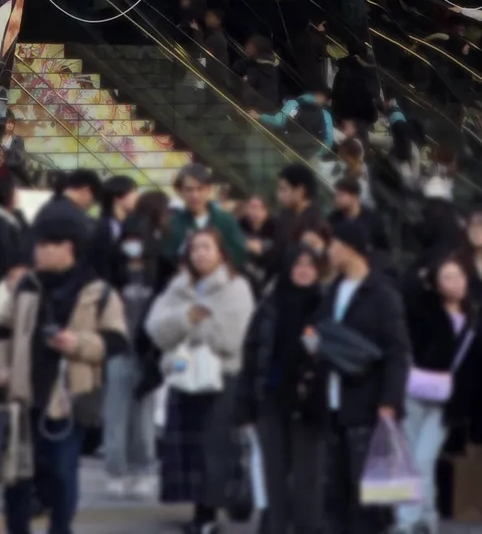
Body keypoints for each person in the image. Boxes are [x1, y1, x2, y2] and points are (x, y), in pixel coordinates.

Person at [0, 206, 127, 534]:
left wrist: (77, 344)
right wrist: (1, 369)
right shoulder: (27, 285)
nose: (36, 251)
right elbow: (2, 329)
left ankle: (60, 528)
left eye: (44, 245)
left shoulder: (98, 291)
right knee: (17, 477)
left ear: (68, 247)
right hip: (24, 395)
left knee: (62, 475)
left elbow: (117, 340)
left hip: (70, 398)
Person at [147, 223, 255, 532]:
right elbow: (156, 329)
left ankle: (209, 515)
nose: (200, 254)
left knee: (214, 447)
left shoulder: (236, 287)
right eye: (195, 248)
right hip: (182, 376)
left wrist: (192, 328)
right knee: (188, 450)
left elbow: (230, 338)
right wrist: (187, 318)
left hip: (220, 378)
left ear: (222, 253)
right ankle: (198, 510)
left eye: (207, 247)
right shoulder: (178, 287)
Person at [310, 214, 410, 534]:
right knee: (334, 487)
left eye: (334, 244)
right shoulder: (333, 289)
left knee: (367, 491)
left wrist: (390, 401)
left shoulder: (382, 294)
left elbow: (397, 352)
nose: (328, 251)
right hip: (332, 399)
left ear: (350, 248)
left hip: (367, 401)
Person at [239, 243, 328, 534]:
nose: (304, 271)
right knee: (274, 470)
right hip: (273, 396)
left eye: (310, 265)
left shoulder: (324, 305)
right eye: (298, 265)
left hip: (310, 401)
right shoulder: (270, 305)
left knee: (307, 475)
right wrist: (246, 401)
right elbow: (252, 352)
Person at [399, 253, 477, 534]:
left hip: (447, 400)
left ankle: (425, 518)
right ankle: (411, 521)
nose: (455, 282)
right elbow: (406, 291)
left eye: (458, 275)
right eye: (447, 277)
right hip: (414, 390)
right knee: (409, 458)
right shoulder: (422, 309)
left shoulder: (473, 316)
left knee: (424, 458)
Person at [102, 203, 158, 499]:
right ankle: (116, 471)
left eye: (138, 239)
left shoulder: (157, 272)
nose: (133, 245)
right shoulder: (112, 273)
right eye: (128, 239)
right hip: (119, 348)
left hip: (148, 351)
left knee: (144, 415)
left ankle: (143, 469)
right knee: (116, 412)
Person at [164, 166, 248, 275]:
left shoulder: (225, 220)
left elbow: (238, 253)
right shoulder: (173, 224)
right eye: (189, 190)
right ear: (180, 191)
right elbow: (167, 258)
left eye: (200, 189)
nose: (195, 195)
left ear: (209, 190)